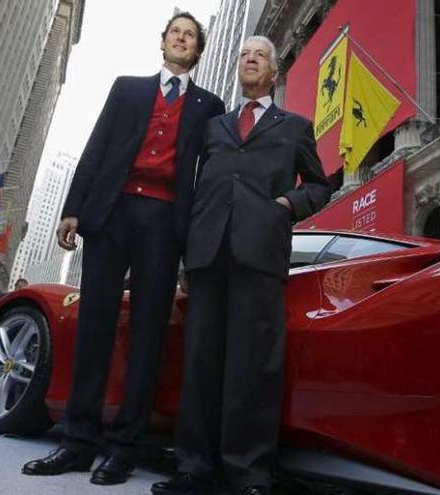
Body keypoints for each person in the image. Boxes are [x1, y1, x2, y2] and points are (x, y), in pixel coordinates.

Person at [22, 12, 226, 486]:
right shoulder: (127, 88)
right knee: (94, 326)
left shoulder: (209, 105)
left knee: (148, 336)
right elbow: (97, 146)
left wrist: (194, 242)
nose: (181, 38)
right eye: (175, 31)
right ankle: (77, 441)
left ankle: (123, 448)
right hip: (110, 214)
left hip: (163, 223)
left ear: (196, 51)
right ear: (163, 42)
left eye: (190, 35)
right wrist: (73, 207)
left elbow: (208, 176)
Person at [153, 36, 331, 495]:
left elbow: (318, 185)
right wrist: (187, 251)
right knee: (200, 361)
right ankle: (193, 466)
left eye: (260, 56)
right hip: (208, 254)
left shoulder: (295, 127)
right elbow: (192, 188)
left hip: (260, 253)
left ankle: (248, 473)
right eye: (243, 54)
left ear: (274, 72)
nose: (250, 59)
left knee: (252, 367)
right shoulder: (215, 126)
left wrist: (286, 205)